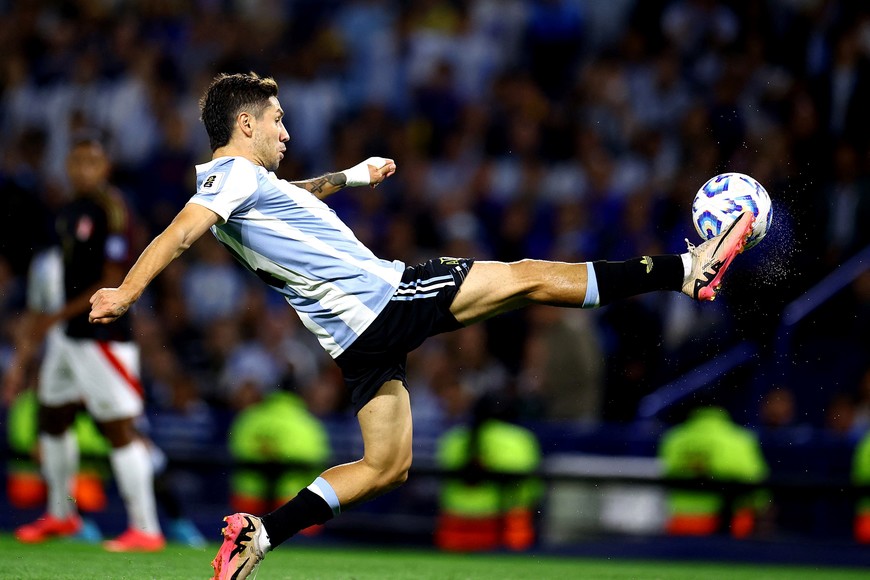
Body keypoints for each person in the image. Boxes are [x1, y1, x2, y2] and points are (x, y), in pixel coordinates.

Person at [87, 72, 755, 579]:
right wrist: (127, 290)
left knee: (387, 464)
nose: (286, 132)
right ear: (245, 123)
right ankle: (686, 270)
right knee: (524, 276)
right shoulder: (228, 176)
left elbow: (293, 195)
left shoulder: (242, 184)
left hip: (353, 341)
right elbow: (180, 232)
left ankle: (259, 535)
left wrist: (350, 175)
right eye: (278, 120)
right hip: (388, 296)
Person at [3, 135, 165, 552]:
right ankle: (61, 515)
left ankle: (146, 528)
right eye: (75, 161)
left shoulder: (113, 209)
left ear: (105, 167)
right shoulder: (69, 211)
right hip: (69, 335)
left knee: (118, 428)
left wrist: (55, 316)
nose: (82, 169)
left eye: (91, 161)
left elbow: (110, 277)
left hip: (102, 334)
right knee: (52, 417)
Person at [434, 393, 543, 552]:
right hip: (505, 528)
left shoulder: (453, 438)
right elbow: (533, 489)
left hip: (455, 525)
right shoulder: (520, 439)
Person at [658, 406, 769, 538]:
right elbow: (757, 484)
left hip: (682, 522)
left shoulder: (674, 438)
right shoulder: (740, 439)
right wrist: (762, 509)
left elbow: (665, 474)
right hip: (731, 526)